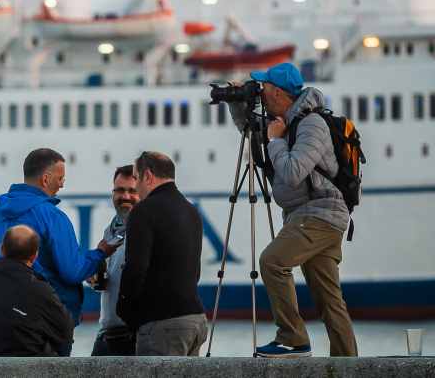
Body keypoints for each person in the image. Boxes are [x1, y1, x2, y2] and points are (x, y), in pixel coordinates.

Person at [230, 62, 357, 358]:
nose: (260, 91)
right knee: (329, 300)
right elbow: (250, 132)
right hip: (308, 216)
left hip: (320, 214)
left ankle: (293, 339)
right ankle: (348, 365)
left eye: (263, 87)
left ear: (277, 92)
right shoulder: (283, 121)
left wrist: (275, 140)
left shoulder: (312, 124)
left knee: (272, 261)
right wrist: (237, 103)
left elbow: (292, 172)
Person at [0, 148, 106, 356]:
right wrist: (100, 253)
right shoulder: (52, 216)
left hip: (4, 317)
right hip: (48, 322)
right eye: (60, 178)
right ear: (46, 179)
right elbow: (72, 271)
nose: (62, 184)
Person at [117, 151, 207, 356]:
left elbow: (136, 268)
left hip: (162, 324)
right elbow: (195, 271)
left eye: (136, 178)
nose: (136, 186)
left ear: (148, 176)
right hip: (196, 320)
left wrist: (125, 310)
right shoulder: (191, 210)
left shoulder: (144, 211)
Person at [0, 225, 74, 356]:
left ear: (2, 249)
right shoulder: (39, 290)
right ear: (34, 256)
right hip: (27, 366)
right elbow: (65, 332)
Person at [90, 165, 140, 356]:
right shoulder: (112, 228)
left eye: (132, 191)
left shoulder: (146, 230)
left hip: (132, 335)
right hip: (107, 333)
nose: (125, 196)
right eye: (119, 190)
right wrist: (95, 276)